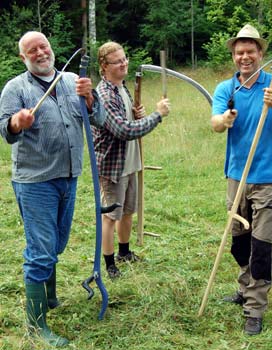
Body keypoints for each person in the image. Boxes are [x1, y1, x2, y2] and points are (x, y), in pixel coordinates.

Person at [0, 31, 105, 347]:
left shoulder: (73, 80)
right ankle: (36, 328)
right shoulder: (15, 88)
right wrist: (17, 123)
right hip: (35, 182)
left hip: (69, 176)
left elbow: (96, 118)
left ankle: (50, 297)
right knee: (42, 250)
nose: (40, 52)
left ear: (51, 48)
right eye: (32, 50)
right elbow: (5, 130)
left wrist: (90, 98)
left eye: (43, 46)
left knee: (56, 243)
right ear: (24, 57)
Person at [211, 24, 272, 335]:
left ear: (261, 53)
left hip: (268, 180)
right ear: (234, 56)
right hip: (236, 178)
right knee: (239, 244)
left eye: (250, 51)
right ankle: (246, 287)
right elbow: (215, 124)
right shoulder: (226, 89)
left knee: (261, 247)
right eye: (239, 52)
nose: (244, 57)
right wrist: (225, 119)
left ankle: (255, 308)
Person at [92, 41, 170, 279]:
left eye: (125, 59)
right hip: (112, 166)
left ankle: (124, 253)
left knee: (127, 211)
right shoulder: (104, 94)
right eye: (118, 61)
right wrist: (157, 115)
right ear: (104, 66)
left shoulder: (121, 88)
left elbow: (129, 121)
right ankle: (109, 264)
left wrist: (138, 115)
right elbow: (124, 131)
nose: (124, 64)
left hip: (130, 162)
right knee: (110, 216)